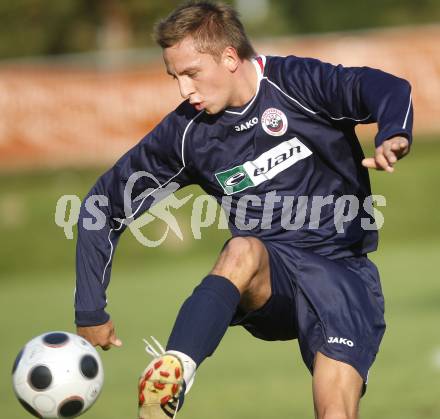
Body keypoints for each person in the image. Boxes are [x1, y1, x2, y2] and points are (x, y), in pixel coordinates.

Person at [74, 2, 413, 418]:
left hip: (343, 274)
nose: (184, 90)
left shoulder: (298, 84)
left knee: (335, 413)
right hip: (273, 279)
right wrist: (90, 309)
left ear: (230, 57)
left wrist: (394, 131)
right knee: (242, 249)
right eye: (174, 77)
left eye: (191, 74)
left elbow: (387, 89)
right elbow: (102, 205)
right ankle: (173, 375)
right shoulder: (187, 133)